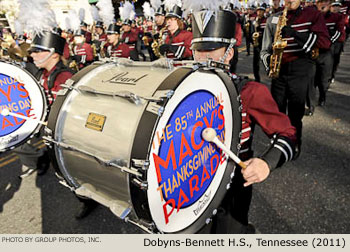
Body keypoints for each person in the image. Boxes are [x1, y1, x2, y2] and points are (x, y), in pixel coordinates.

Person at [190, 7, 297, 233]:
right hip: (191, 184)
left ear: (229, 53)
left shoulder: (250, 91)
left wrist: (266, 162)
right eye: (198, 50)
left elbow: (288, 134)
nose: (202, 57)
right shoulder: (184, 91)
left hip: (232, 185)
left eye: (211, 50)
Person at [261, 0, 330, 158]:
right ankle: (278, 142)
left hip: (300, 66)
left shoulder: (312, 15)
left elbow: (324, 42)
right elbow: (266, 47)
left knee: (295, 112)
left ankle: (294, 141)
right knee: (277, 110)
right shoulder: (275, 17)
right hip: (279, 69)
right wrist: (270, 62)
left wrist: (294, 34)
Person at [14, 30, 73, 177]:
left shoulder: (64, 77)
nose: (31, 54)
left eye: (36, 51)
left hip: (59, 130)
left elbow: (70, 113)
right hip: (43, 122)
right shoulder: (41, 73)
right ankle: (44, 157)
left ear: (53, 54)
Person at [252, 3, 267, 82]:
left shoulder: (266, 20)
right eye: (258, 11)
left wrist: (259, 28)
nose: (259, 13)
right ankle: (257, 78)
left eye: (261, 11)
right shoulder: (255, 20)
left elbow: (266, 32)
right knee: (255, 62)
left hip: (264, 43)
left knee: (265, 60)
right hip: (256, 44)